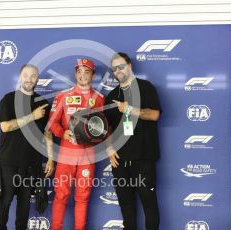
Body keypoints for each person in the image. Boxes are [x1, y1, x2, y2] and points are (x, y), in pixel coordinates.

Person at [104, 53, 161, 230]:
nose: (118, 70)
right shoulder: (111, 96)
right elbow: (107, 129)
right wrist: (109, 148)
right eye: (114, 68)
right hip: (120, 162)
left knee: (149, 205)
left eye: (121, 66)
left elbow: (154, 115)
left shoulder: (145, 87)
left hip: (143, 158)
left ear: (129, 66)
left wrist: (130, 109)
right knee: (126, 208)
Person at [0, 64, 54, 230]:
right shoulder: (8, 99)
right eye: (26, 75)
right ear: (20, 77)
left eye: (33, 76)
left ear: (37, 79)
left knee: (25, 204)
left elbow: (47, 133)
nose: (29, 79)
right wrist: (32, 116)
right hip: (8, 163)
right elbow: (5, 126)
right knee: (4, 202)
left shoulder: (42, 103)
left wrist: (50, 159)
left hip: (31, 164)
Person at [48, 59, 105, 230]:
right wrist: (62, 133)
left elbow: (102, 128)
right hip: (66, 155)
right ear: (75, 74)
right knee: (61, 196)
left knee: (83, 197)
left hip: (87, 157)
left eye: (87, 72)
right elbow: (52, 123)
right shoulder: (63, 96)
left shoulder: (100, 98)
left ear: (93, 75)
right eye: (79, 71)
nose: (82, 75)